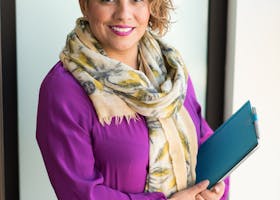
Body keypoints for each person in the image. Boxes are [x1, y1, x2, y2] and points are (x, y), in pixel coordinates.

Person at [36, 0, 229, 199]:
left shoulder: (172, 70)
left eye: (136, 0)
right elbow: (79, 194)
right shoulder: (63, 91)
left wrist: (215, 185)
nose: (124, 14)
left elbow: (202, 140)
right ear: (85, 5)